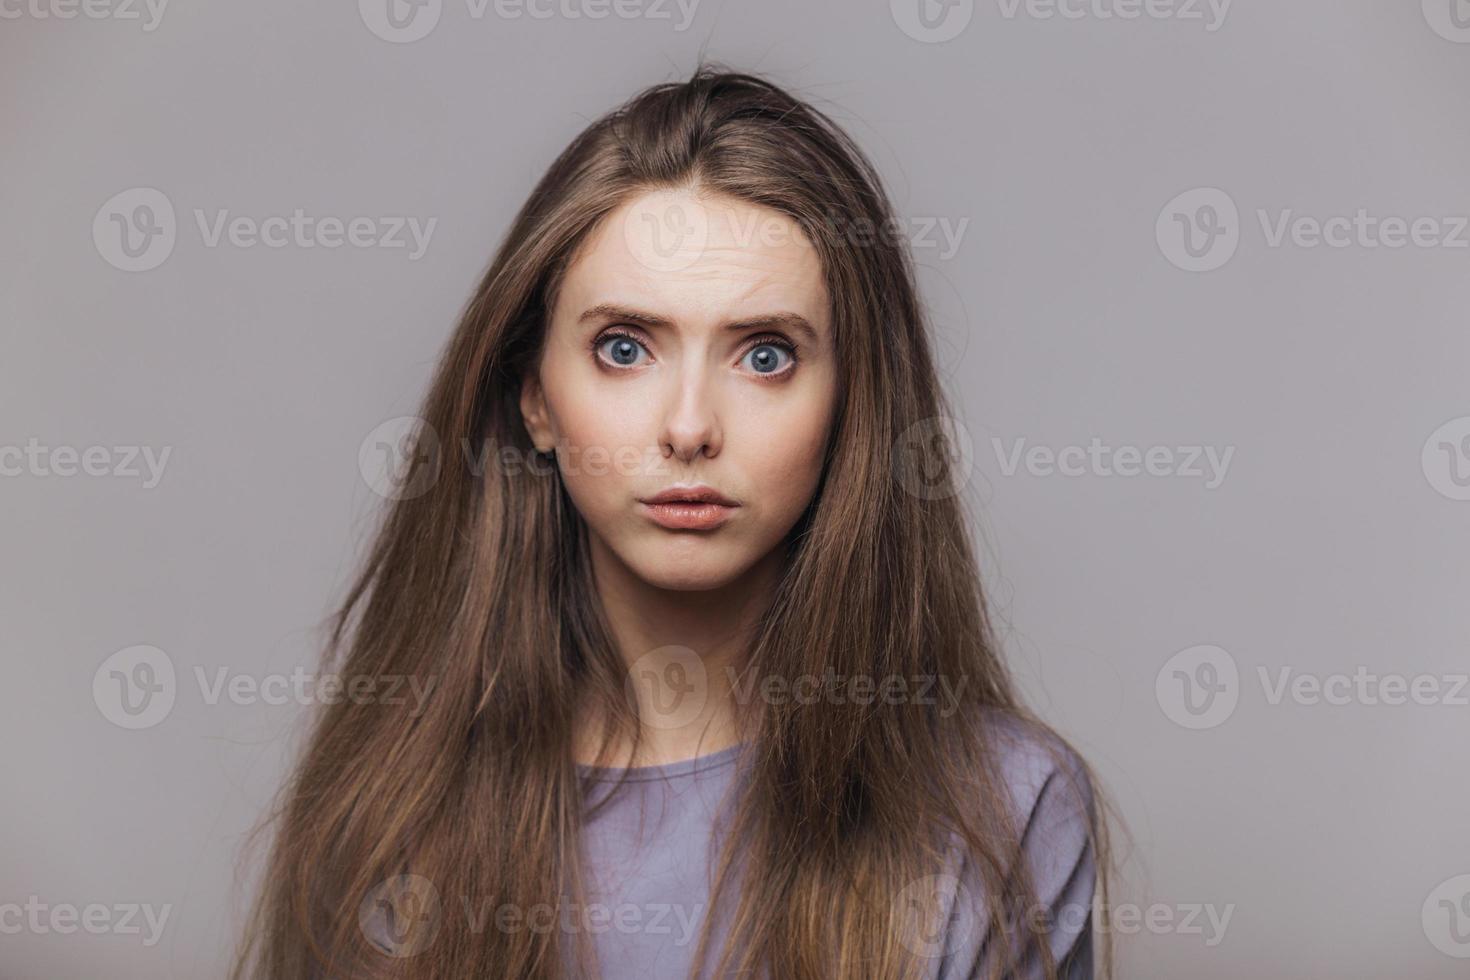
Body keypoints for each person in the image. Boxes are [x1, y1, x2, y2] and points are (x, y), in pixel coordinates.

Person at [234, 64, 1114, 980]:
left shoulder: (1002, 809)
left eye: (765, 355)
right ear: (535, 394)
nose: (689, 427)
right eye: (625, 348)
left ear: (851, 404)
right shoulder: (394, 795)